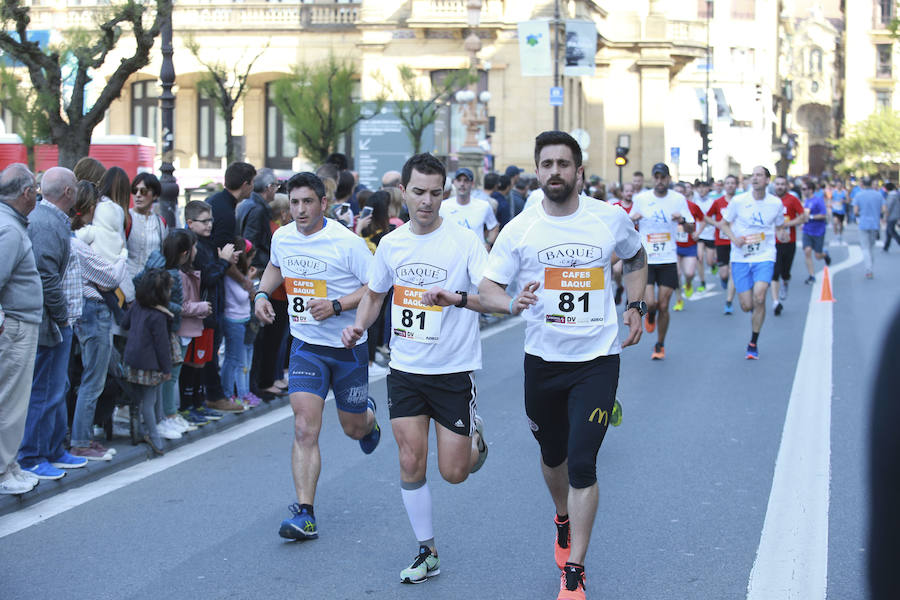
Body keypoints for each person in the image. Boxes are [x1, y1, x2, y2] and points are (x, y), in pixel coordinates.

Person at [477, 131, 647, 600]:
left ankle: (575, 571)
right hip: (543, 361)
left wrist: (637, 305)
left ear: (579, 171)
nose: (555, 171)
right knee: (553, 456)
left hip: (597, 359)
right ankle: (563, 517)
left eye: (564, 164)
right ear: (537, 171)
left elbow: (636, 256)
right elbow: (489, 287)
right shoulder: (521, 229)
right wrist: (511, 302)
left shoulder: (608, 218)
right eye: (547, 164)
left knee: (583, 463)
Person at [341, 154, 489, 584]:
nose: (427, 201)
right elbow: (374, 294)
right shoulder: (391, 244)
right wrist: (359, 326)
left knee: (455, 472)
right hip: (405, 368)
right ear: (403, 192)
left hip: (453, 370)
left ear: (444, 194)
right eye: (419, 192)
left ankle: (475, 437)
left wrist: (456, 298)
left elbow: (490, 294)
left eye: (435, 193)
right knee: (410, 460)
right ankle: (427, 550)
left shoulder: (464, 241)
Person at [253, 172, 380, 542]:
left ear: (323, 203)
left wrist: (337, 305)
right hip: (306, 346)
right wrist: (261, 294)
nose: (300, 209)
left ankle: (368, 419)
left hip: (347, 347)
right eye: (294, 202)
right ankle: (305, 513)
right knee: (304, 427)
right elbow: (276, 265)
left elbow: (375, 287)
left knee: (353, 428)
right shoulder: (283, 237)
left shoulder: (346, 243)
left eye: (307, 201)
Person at [18, 167, 88, 480]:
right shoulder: (46, 222)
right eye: (76, 187)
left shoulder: (50, 219)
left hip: (59, 322)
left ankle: (52, 450)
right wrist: (61, 316)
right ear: (69, 192)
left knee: (55, 389)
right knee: (45, 391)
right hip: (52, 323)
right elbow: (46, 276)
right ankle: (32, 456)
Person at [69, 181, 129, 459]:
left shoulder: (76, 239)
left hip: (86, 311)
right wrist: (122, 256)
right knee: (94, 379)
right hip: (92, 310)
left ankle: (80, 437)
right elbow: (109, 278)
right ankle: (81, 441)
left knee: (88, 377)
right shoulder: (78, 243)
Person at [0, 164, 43, 494]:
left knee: (12, 402)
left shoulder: (10, 224)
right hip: (14, 326)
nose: (37, 196)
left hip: (16, 323)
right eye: (35, 190)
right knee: (10, 403)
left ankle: (9, 465)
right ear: (26, 193)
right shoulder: (10, 229)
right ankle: (3, 471)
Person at [717, 166, 785, 360]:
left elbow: (780, 226)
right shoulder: (739, 201)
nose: (755, 178)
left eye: (759, 175)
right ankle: (755, 311)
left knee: (760, 296)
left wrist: (783, 234)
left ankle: (753, 342)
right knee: (747, 305)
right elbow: (723, 224)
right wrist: (734, 238)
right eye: (753, 175)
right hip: (741, 257)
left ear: (767, 180)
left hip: (765, 255)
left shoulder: (775, 203)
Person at [204, 162, 256, 410]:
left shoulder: (218, 202)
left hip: (213, 278)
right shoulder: (225, 212)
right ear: (245, 184)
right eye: (252, 183)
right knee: (213, 344)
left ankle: (213, 394)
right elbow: (221, 257)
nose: (252, 188)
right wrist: (244, 280)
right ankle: (216, 395)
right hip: (214, 285)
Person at [629, 162, 695, 360]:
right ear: (653, 179)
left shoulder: (678, 199)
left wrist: (682, 221)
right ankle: (650, 314)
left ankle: (660, 344)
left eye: (663, 177)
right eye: (656, 177)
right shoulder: (641, 199)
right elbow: (627, 224)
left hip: (668, 258)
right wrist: (633, 219)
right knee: (650, 303)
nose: (659, 181)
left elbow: (691, 228)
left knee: (664, 305)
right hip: (647, 259)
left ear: (668, 179)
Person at [121, 268, 174, 455]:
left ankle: (138, 432)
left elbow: (124, 323)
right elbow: (162, 346)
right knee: (149, 402)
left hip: (131, 360)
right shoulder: (159, 316)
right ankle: (154, 436)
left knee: (137, 400)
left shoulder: (137, 306)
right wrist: (167, 369)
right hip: (150, 365)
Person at [176, 227, 214, 427]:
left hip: (196, 324)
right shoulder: (180, 275)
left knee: (197, 363)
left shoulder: (190, 270)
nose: (197, 251)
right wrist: (201, 307)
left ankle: (195, 403)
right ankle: (184, 406)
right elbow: (182, 305)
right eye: (194, 247)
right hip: (186, 326)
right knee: (185, 367)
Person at [222, 237, 260, 407]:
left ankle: (242, 392)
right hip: (233, 320)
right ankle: (229, 394)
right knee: (233, 360)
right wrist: (250, 282)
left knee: (242, 360)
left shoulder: (240, 275)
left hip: (242, 319)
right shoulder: (231, 276)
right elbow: (241, 297)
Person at [770, 175, 806, 316]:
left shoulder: (792, 200)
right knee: (775, 273)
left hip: (789, 242)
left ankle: (785, 282)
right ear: (774, 185)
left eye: (782, 184)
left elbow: (803, 217)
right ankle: (775, 302)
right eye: (777, 184)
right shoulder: (770, 201)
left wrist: (787, 224)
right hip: (772, 243)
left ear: (786, 186)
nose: (779, 187)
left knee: (785, 272)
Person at [126, 172, 166, 301]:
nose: (138, 195)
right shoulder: (125, 218)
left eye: (143, 191)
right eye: (134, 191)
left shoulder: (160, 222)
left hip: (152, 289)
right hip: (128, 287)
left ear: (155, 195)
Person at [440, 167, 499, 249]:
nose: (462, 184)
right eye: (459, 180)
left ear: (472, 183)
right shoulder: (443, 206)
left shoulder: (484, 206)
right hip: (452, 253)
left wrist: (487, 243)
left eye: (466, 180)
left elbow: (494, 227)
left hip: (476, 253)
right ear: (454, 183)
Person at [706, 175, 739, 314]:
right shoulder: (718, 202)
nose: (730, 185)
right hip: (721, 241)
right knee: (724, 273)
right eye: (728, 183)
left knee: (733, 272)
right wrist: (717, 224)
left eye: (733, 183)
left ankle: (729, 301)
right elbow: (706, 216)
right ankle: (724, 280)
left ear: (736, 185)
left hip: (736, 241)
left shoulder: (741, 201)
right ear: (725, 186)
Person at [236, 167, 276, 271]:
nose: (276, 190)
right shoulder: (257, 209)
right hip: (256, 266)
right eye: (275, 186)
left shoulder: (247, 203)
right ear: (269, 187)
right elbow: (251, 242)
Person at [672, 194, 706, 312]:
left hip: (690, 245)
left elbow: (703, 220)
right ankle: (679, 300)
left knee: (690, 273)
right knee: (676, 274)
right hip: (674, 246)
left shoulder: (693, 206)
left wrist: (698, 232)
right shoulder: (668, 206)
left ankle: (688, 283)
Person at [852, 177, 886, 279]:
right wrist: (876, 212)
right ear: (871, 184)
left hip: (863, 223)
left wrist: (862, 213)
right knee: (871, 247)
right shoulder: (878, 195)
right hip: (875, 224)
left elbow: (855, 212)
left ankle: (868, 269)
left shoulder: (858, 195)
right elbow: (884, 210)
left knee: (865, 247)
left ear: (863, 184)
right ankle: (870, 268)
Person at [800, 177, 831, 284]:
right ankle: (812, 276)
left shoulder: (818, 200)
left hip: (818, 231)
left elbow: (823, 215)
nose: (803, 191)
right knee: (807, 251)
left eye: (804, 189)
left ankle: (824, 254)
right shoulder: (805, 201)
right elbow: (804, 215)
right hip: (807, 230)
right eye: (802, 189)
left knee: (818, 256)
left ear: (811, 190)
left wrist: (811, 217)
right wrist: (802, 223)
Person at [693, 179, 716, 292]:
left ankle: (713, 265)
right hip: (699, 234)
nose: (701, 190)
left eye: (704, 187)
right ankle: (702, 282)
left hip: (710, 234)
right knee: (700, 258)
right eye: (699, 187)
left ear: (708, 188)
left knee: (709, 261)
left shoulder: (713, 202)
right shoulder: (694, 201)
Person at [883, 182, 900, 252]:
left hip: (892, 216)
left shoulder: (891, 196)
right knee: (888, 231)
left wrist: (885, 217)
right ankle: (886, 246)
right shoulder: (896, 195)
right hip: (895, 215)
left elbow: (889, 207)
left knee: (891, 231)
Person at [830, 179, 847, 244]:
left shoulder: (844, 192)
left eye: (840, 185)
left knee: (841, 224)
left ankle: (840, 234)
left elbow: (848, 200)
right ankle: (836, 235)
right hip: (835, 210)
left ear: (842, 185)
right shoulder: (834, 192)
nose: (839, 186)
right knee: (835, 222)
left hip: (842, 210)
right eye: (838, 185)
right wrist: (831, 204)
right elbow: (831, 199)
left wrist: (844, 201)